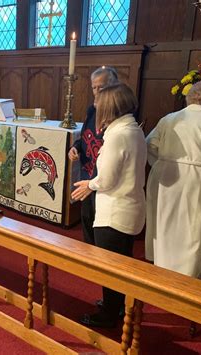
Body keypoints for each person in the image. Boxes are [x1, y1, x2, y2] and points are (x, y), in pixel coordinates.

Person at [71, 83, 147, 328]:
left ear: (109, 107)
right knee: (121, 264)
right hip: (129, 208)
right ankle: (116, 305)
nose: (96, 108)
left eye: (99, 104)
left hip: (115, 212)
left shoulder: (118, 135)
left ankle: (110, 315)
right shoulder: (133, 129)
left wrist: (89, 185)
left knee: (110, 267)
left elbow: (107, 178)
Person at [145, 81, 201, 277]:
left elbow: (149, 144)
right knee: (194, 226)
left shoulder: (168, 119)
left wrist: (161, 164)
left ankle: (163, 262)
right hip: (198, 179)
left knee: (166, 222)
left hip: (167, 176)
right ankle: (190, 270)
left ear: (187, 98)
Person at [68, 66, 119, 245]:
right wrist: (75, 148)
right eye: (94, 87)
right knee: (87, 222)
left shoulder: (118, 116)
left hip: (105, 183)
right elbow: (84, 138)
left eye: (102, 88)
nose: (97, 92)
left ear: (114, 87)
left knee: (103, 231)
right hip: (86, 177)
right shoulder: (92, 111)